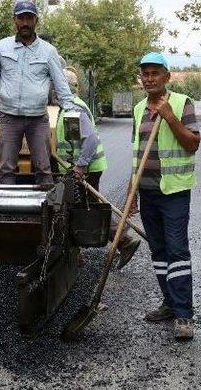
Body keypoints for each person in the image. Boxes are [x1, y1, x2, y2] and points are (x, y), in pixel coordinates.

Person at [130, 52, 200, 340]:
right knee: (158, 251)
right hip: (146, 192)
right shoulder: (137, 109)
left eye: (154, 73)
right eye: (144, 73)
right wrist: (131, 191)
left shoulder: (182, 104)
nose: (149, 78)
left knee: (177, 251)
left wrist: (170, 117)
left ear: (166, 77)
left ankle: (184, 315)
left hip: (173, 191)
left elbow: (193, 144)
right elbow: (137, 153)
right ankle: (169, 303)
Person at [0, 0, 74, 185]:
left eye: (29, 18)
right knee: (5, 168)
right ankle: (7, 210)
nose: (25, 22)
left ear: (36, 20)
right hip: (9, 118)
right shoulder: (2, 47)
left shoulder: (48, 51)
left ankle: (46, 211)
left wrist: (70, 111)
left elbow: (61, 84)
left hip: (38, 119)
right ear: (14, 20)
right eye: (20, 18)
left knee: (43, 168)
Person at [56, 67, 141, 268]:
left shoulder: (71, 109)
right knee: (86, 207)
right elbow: (73, 140)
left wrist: (80, 166)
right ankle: (118, 243)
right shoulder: (69, 107)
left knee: (83, 210)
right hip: (82, 167)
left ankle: (122, 242)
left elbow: (90, 140)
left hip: (86, 169)